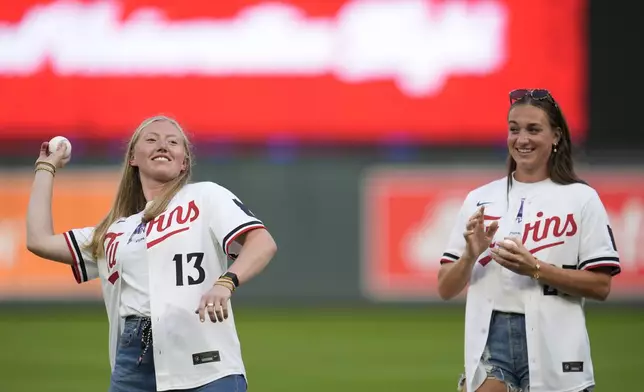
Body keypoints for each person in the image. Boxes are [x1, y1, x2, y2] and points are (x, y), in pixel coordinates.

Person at [26, 115, 278, 392]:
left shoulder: (205, 196)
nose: (163, 145)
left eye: (173, 142)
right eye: (151, 139)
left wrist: (226, 282)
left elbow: (262, 242)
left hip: (206, 363)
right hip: (132, 366)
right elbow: (39, 240)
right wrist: (46, 167)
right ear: (133, 157)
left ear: (184, 162)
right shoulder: (115, 231)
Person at [436, 89, 621, 392]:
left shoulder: (581, 198)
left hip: (557, 340)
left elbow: (600, 286)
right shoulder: (480, 199)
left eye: (533, 129)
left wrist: (535, 268)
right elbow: (445, 288)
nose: (522, 139)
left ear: (556, 136)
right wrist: (470, 255)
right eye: (514, 129)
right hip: (491, 338)